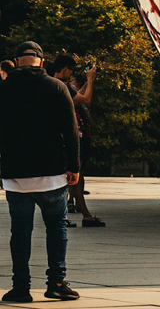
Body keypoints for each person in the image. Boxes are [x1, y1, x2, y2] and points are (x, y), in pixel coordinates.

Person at [1, 42, 82, 302]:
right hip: (52, 172)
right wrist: (74, 166)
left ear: (14, 62)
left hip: (15, 175)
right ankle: (56, 282)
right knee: (56, 227)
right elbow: (71, 131)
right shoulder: (57, 87)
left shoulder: (3, 89)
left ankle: (21, 287)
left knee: (20, 232)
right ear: (43, 63)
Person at [48, 56, 101, 227]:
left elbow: (79, 95)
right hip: (68, 137)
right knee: (72, 175)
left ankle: (84, 214)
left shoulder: (56, 85)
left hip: (63, 136)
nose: (71, 73)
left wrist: (88, 80)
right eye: (70, 69)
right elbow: (86, 100)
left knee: (76, 174)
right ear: (64, 69)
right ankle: (78, 215)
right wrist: (91, 80)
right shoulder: (61, 85)